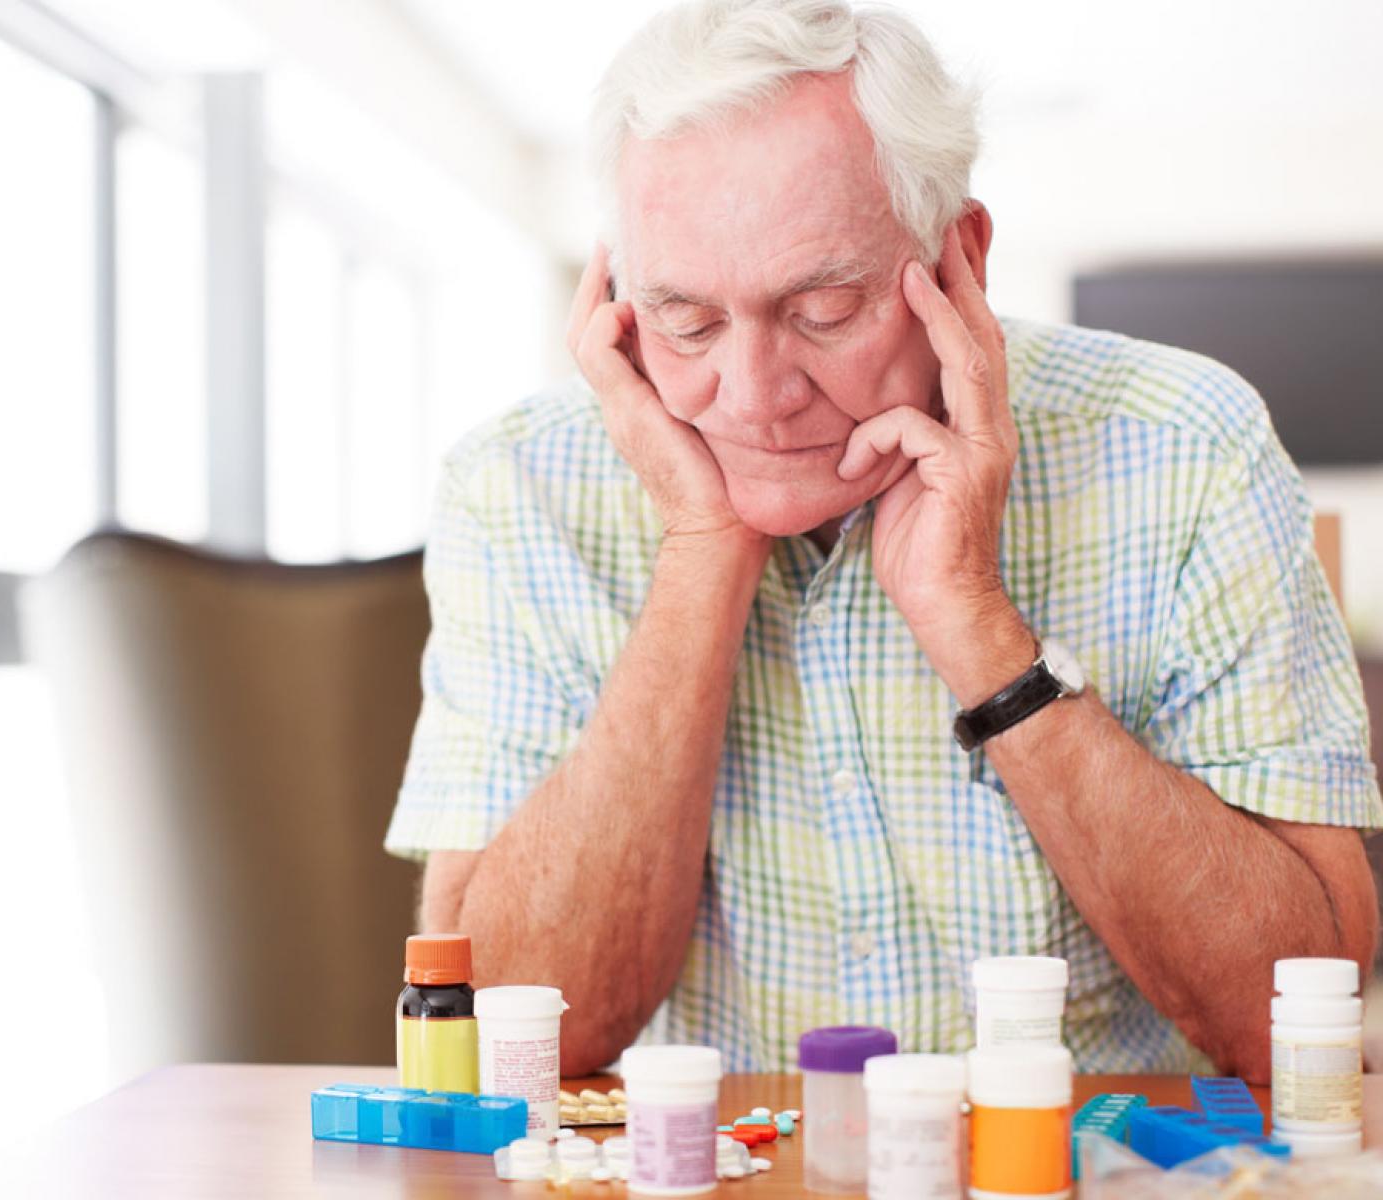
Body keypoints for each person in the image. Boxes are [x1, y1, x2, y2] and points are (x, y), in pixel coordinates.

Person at [383, 0, 1380, 1082]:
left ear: (959, 260)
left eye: (822, 307)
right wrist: (703, 549)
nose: (754, 397)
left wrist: (974, 622)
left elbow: (1294, 1029)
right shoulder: (513, 483)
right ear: (617, 302)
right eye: (686, 320)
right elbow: (496, 1046)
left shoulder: (1187, 445)